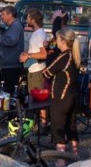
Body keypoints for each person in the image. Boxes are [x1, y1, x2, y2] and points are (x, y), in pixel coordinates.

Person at [42, 28, 81, 156]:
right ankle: (75, 155)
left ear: (63, 41)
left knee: (58, 126)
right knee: (71, 125)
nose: (56, 42)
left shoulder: (64, 56)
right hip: (74, 96)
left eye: (58, 39)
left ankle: (61, 160)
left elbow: (47, 73)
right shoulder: (75, 55)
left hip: (62, 97)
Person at [0, 5, 25, 98]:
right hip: (8, 64)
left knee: (10, 91)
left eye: (4, 14)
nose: (2, 16)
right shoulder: (10, 26)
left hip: (12, 65)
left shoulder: (16, 26)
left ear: (10, 15)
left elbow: (11, 40)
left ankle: (12, 111)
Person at [21, 9, 48, 93]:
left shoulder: (39, 34)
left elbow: (44, 54)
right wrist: (24, 53)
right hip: (32, 69)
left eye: (28, 18)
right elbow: (34, 48)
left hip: (37, 71)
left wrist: (28, 56)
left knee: (37, 99)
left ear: (33, 20)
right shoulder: (35, 33)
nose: (26, 20)